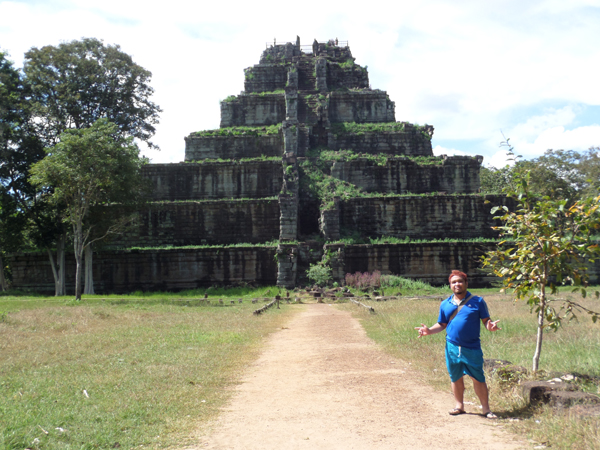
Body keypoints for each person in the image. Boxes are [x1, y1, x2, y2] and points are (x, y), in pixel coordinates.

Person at [414, 270, 501, 419]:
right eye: (454, 282)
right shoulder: (445, 304)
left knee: (478, 378)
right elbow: (442, 324)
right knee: (455, 377)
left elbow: (486, 321)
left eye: (460, 281)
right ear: (450, 285)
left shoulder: (478, 301)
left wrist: (490, 326)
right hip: (452, 347)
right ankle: (459, 406)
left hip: (472, 347)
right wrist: (429, 331)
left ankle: (486, 409)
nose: (457, 284)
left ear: (466, 283)